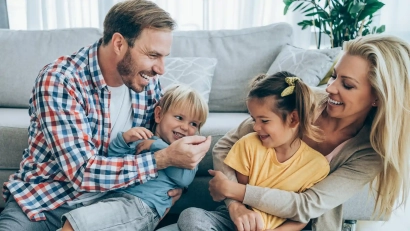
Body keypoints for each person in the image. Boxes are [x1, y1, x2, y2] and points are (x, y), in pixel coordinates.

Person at [0, 1, 211, 230]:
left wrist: (173, 185)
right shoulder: (61, 80)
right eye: (153, 55)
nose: (161, 69)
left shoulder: (147, 83)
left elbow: (161, 142)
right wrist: (163, 159)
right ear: (119, 43)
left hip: (114, 203)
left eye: (163, 57)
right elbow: (82, 172)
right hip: (46, 203)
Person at [176, 34, 410, 231]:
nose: (330, 88)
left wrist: (237, 191)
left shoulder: (369, 153)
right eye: (334, 76)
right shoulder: (302, 100)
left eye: (347, 85)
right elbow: (227, 145)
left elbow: (307, 207)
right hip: (243, 216)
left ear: (378, 97)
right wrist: (234, 205)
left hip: (297, 226)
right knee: (190, 217)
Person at [178, 72, 330, 231]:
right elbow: (241, 198)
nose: (256, 127)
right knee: (190, 216)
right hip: (235, 220)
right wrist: (237, 209)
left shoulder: (317, 165)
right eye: (253, 119)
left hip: (279, 228)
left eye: (264, 121)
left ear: (293, 119)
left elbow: (301, 218)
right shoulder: (249, 144)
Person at [61, 84, 209, 231]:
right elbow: (113, 159)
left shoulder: (187, 153)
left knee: (76, 224)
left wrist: (156, 146)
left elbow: (184, 178)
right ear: (158, 115)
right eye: (179, 118)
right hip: (116, 198)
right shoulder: (143, 138)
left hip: (140, 207)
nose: (185, 127)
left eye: (193, 124)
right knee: (75, 222)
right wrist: (124, 140)